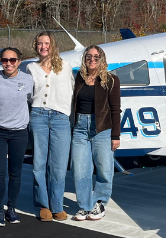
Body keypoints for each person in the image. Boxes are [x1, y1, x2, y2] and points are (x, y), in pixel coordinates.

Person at [71, 45, 121, 221]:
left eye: (96, 57)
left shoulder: (111, 80)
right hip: (80, 128)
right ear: (84, 59)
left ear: (102, 59)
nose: (92, 60)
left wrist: (116, 136)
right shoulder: (78, 77)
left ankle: (99, 203)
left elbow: (115, 109)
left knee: (104, 169)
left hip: (102, 128)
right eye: (88, 57)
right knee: (80, 169)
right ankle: (84, 206)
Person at [27, 32, 73, 221]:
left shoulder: (66, 66)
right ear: (35, 46)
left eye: (46, 43)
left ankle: (57, 204)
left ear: (52, 45)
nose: (43, 47)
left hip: (60, 118)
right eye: (40, 43)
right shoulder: (31, 67)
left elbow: (72, 89)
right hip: (38, 116)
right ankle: (43, 205)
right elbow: (28, 93)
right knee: (39, 163)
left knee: (59, 165)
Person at [0, 47, 32, 227]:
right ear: (0, 61)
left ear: (19, 62)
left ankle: (11, 207)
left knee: (15, 173)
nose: (9, 63)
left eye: (13, 60)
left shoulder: (28, 80)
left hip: (19, 133)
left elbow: (30, 101)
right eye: (5, 60)